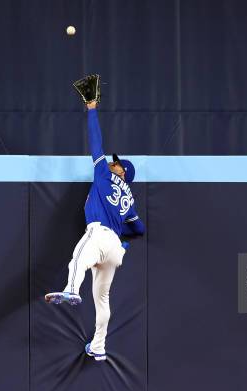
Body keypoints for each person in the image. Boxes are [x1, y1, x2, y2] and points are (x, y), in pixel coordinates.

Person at [45, 79, 145, 362]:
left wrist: (91, 108)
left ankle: (70, 290)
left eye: (116, 162)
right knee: (103, 299)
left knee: (77, 260)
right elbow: (140, 227)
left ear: (121, 171)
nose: (112, 162)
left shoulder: (105, 174)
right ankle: (99, 346)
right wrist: (125, 240)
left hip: (99, 235)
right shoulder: (130, 200)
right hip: (114, 248)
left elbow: (95, 140)